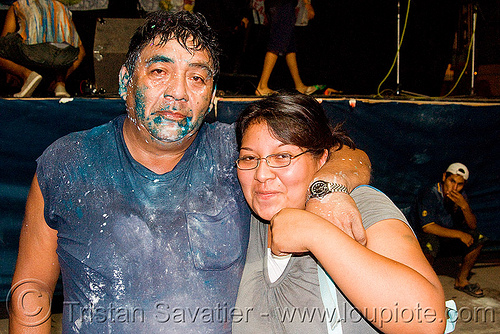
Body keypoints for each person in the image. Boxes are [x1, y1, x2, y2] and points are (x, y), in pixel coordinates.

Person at [9, 11, 370, 333]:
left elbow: (346, 153)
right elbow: (33, 288)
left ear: (212, 93)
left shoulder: (241, 154)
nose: (178, 93)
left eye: (197, 78)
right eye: (160, 71)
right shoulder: (68, 163)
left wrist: (327, 189)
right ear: (125, 81)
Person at [233, 91, 446, 333]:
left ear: (322, 158)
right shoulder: (246, 217)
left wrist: (315, 233)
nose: (261, 175)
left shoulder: (357, 206)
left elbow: (426, 321)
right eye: (249, 158)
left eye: (283, 156)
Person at [408, 163, 487, 298]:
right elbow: (427, 227)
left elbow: (473, 226)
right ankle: (422, 284)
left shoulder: (461, 196)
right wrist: (459, 234)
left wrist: (465, 207)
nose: (454, 187)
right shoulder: (430, 193)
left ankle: (461, 281)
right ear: (445, 177)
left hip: (446, 236)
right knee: (430, 243)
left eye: (460, 184)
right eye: (452, 181)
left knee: (478, 238)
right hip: (421, 237)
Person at [0, 0, 85, 98]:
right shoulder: (61, 6)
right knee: (61, 42)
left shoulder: (19, 4)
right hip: (66, 56)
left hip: (36, 51)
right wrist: (62, 80)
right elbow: (81, 53)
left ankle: (27, 75)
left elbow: (4, 40)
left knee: (6, 41)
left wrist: (11, 70)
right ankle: (60, 85)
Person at [254, 0, 318, 96]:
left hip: (278, 5)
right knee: (276, 43)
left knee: (289, 45)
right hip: (282, 5)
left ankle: (299, 85)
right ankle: (262, 86)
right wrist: (307, 4)